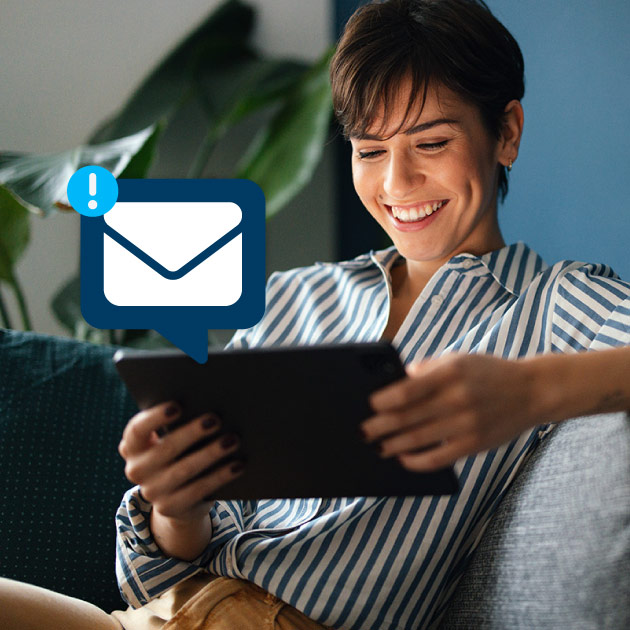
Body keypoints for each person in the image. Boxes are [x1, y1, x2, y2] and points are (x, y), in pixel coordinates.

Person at [1, 0, 629, 629]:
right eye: (370, 150)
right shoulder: (292, 301)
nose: (397, 182)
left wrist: (528, 391)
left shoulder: (557, 308)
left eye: (432, 142)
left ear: (508, 133)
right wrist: (176, 506)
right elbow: (154, 580)